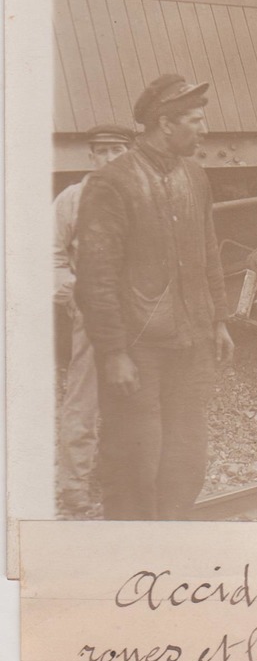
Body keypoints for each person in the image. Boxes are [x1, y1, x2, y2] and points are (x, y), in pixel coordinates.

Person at [75, 74, 234, 519]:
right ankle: (131, 549)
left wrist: (218, 320)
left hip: (191, 341)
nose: (204, 129)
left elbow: (208, 253)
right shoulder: (113, 183)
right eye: (196, 120)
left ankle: (170, 538)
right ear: (166, 123)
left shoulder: (195, 176)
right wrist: (112, 353)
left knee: (185, 455)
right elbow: (96, 278)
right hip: (139, 349)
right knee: (133, 459)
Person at [53, 124, 136, 514]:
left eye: (117, 149)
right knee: (83, 398)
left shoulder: (141, 194)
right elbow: (49, 252)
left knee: (135, 397)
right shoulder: (73, 199)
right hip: (91, 310)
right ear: (91, 156)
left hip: (137, 311)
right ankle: (75, 487)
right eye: (101, 151)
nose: (109, 158)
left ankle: (119, 478)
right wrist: (70, 289)